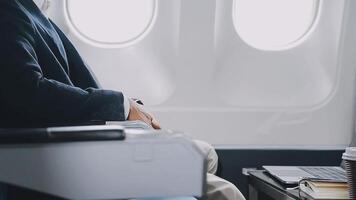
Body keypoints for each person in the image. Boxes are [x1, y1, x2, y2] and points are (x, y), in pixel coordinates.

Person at [0, 0, 245, 199]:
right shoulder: (9, 9)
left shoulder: (32, 12)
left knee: (207, 155)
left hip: (82, 139)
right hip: (69, 153)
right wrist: (121, 107)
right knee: (227, 192)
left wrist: (129, 109)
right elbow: (27, 91)